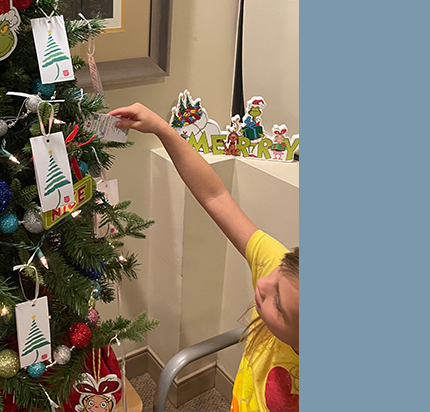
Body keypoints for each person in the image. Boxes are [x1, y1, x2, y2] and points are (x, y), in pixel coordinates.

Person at [108, 103, 299, 412]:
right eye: (280, 272)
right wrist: (162, 128)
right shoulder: (278, 268)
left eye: (279, 303)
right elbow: (215, 197)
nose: (263, 283)